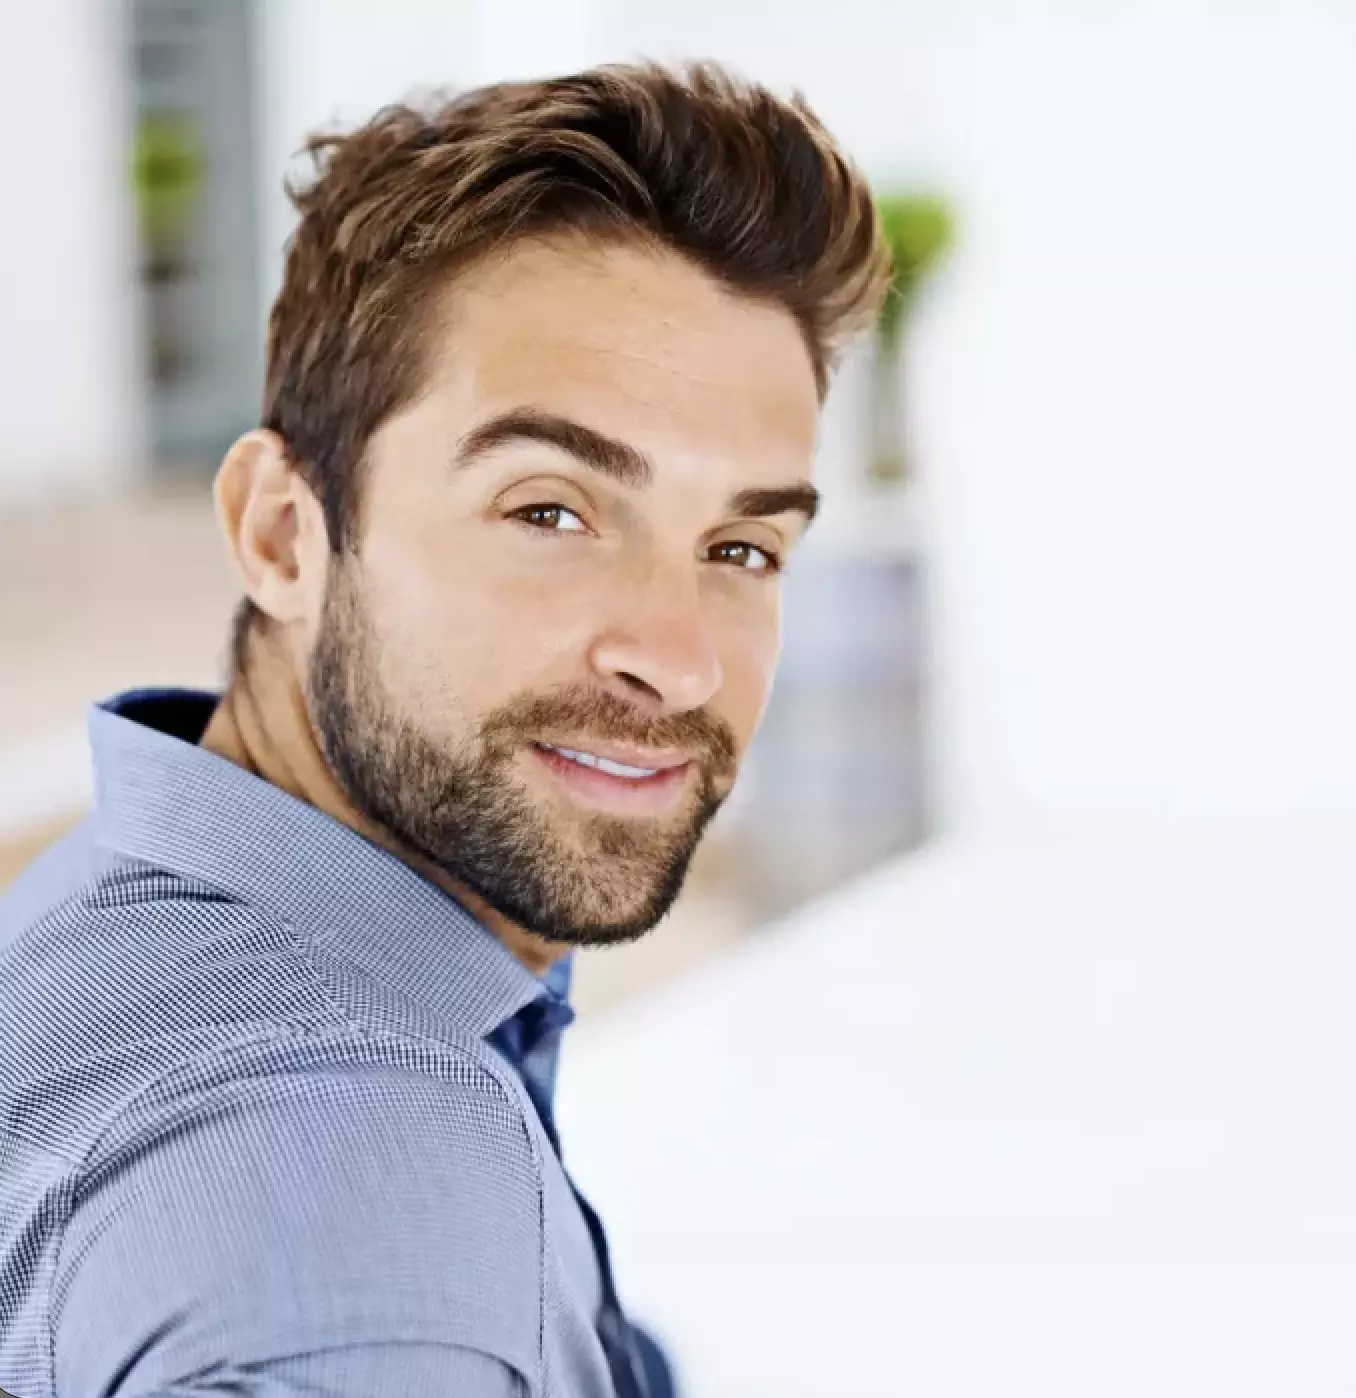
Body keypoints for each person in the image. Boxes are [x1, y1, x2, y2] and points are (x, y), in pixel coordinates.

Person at [0, 61, 888, 1398]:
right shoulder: (357, 1196)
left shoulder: (131, 899)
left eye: (740, 547)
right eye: (550, 511)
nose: (677, 659)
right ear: (283, 533)